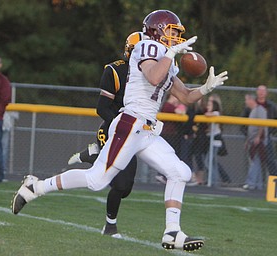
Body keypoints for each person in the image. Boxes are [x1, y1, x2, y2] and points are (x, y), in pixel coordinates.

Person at [12, 10, 228, 251]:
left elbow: (185, 96)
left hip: (147, 129)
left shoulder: (167, 56)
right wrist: (169, 53)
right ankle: (37, 187)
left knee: (180, 172)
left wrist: (206, 88)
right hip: (131, 122)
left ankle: (172, 232)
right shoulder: (146, 47)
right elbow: (154, 77)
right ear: (156, 30)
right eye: (172, 31)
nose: (176, 37)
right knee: (96, 180)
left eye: (177, 33)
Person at [67, 31, 143, 238]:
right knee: (114, 182)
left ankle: (95, 155)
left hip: (136, 133)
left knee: (125, 188)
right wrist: (121, 127)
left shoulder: (151, 74)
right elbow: (102, 108)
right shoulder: (116, 70)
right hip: (114, 130)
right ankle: (110, 227)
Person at [241, 85, 277, 176]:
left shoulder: (271, 106)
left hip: (265, 137)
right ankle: (255, 183)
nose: (261, 93)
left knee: (269, 159)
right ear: (256, 92)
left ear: (266, 93)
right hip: (252, 137)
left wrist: (270, 132)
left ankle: (273, 181)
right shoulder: (251, 105)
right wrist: (247, 134)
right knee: (253, 159)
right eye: (259, 90)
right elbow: (242, 121)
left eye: (263, 91)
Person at [242, 94, 268, 190]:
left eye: (246, 100)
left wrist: (258, 137)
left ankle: (251, 183)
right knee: (256, 162)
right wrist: (248, 141)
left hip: (259, 141)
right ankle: (258, 185)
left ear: (250, 100)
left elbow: (262, 124)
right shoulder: (253, 110)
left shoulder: (260, 109)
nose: (245, 102)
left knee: (255, 162)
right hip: (252, 140)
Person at [204, 99, 223, 186]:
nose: (207, 107)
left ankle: (213, 181)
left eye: (209, 105)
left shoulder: (216, 113)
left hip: (216, 142)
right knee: (212, 162)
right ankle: (212, 181)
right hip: (211, 142)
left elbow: (208, 114)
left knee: (208, 162)